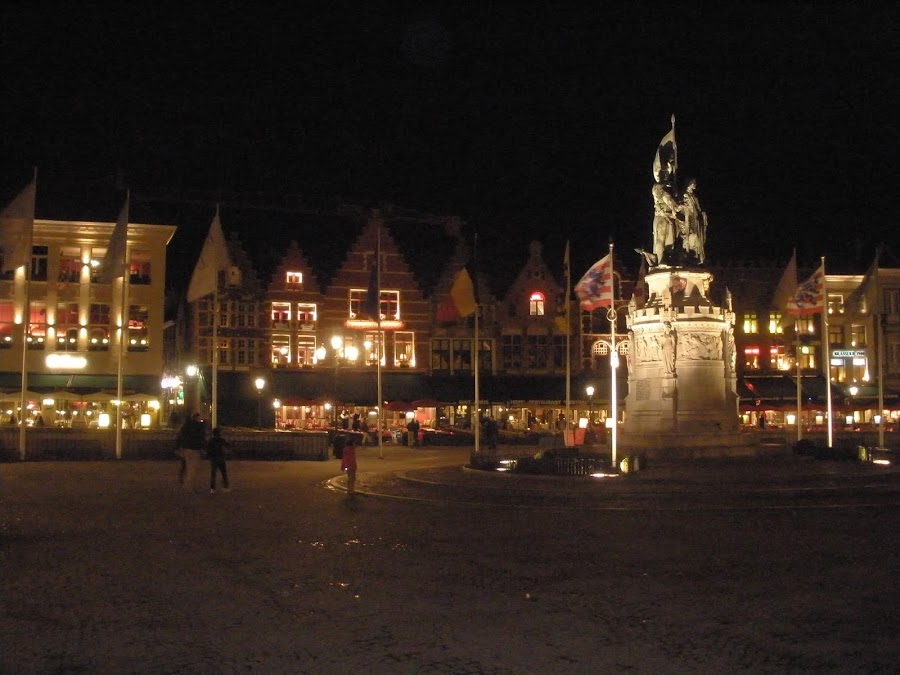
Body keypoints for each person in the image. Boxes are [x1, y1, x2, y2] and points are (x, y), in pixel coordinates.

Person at [176, 412, 206, 491]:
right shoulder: (200, 427)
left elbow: (180, 436)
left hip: (186, 448)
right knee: (193, 468)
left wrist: (178, 447)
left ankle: (187, 484)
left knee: (188, 466)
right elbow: (201, 438)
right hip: (195, 448)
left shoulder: (186, 426)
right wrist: (203, 448)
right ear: (197, 418)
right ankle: (189, 485)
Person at [206, 427, 230, 493]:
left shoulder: (211, 441)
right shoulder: (221, 440)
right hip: (220, 457)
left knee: (213, 473)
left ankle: (213, 488)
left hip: (214, 458)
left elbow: (208, 450)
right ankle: (226, 487)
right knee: (224, 473)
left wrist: (209, 456)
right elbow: (227, 446)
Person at [341, 431, 361, 496]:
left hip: (347, 466)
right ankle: (351, 490)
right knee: (352, 478)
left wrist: (343, 466)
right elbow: (352, 459)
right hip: (351, 465)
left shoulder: (345, 450)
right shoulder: (351, 450)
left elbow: (344, 459)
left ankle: (349, 490)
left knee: (350, 478)